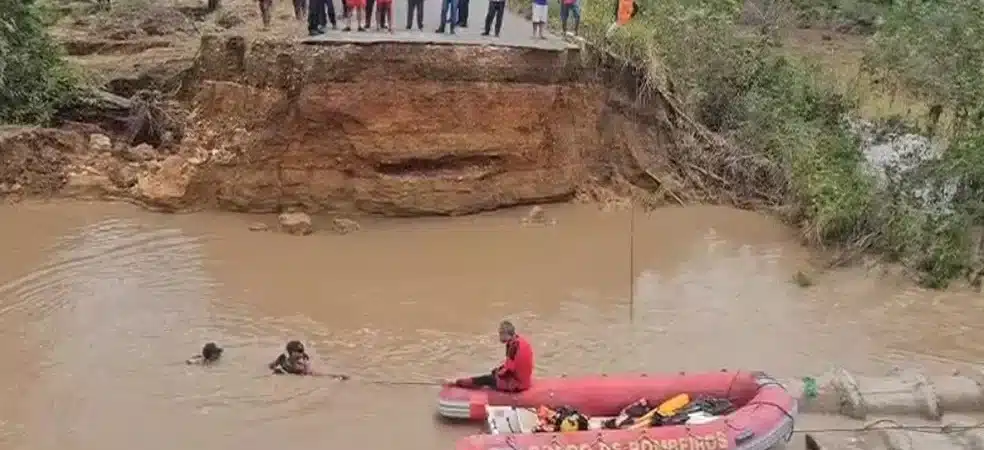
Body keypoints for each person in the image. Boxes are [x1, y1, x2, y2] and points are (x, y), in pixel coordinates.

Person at [450, 320, 534, 392]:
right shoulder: (520, 341)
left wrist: (497, 374)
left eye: (500, 334)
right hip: (524, 381)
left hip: (517, 384)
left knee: (486, 379)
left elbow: (509, 370)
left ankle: (458, 382)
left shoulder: (513, 346)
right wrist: (499, 370)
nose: (499, 337)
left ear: (505, 334)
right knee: (494, 373)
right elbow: (513, 365)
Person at [268, 340, 350, 379]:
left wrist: (335, 376)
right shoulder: (282, 358)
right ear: (291, 352)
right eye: (299, 352)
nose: (301, 354)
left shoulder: (301, 364)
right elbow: (271, 366)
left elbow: (313, 373)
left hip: (298, 374)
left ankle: (338, 376)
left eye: (302, 351)